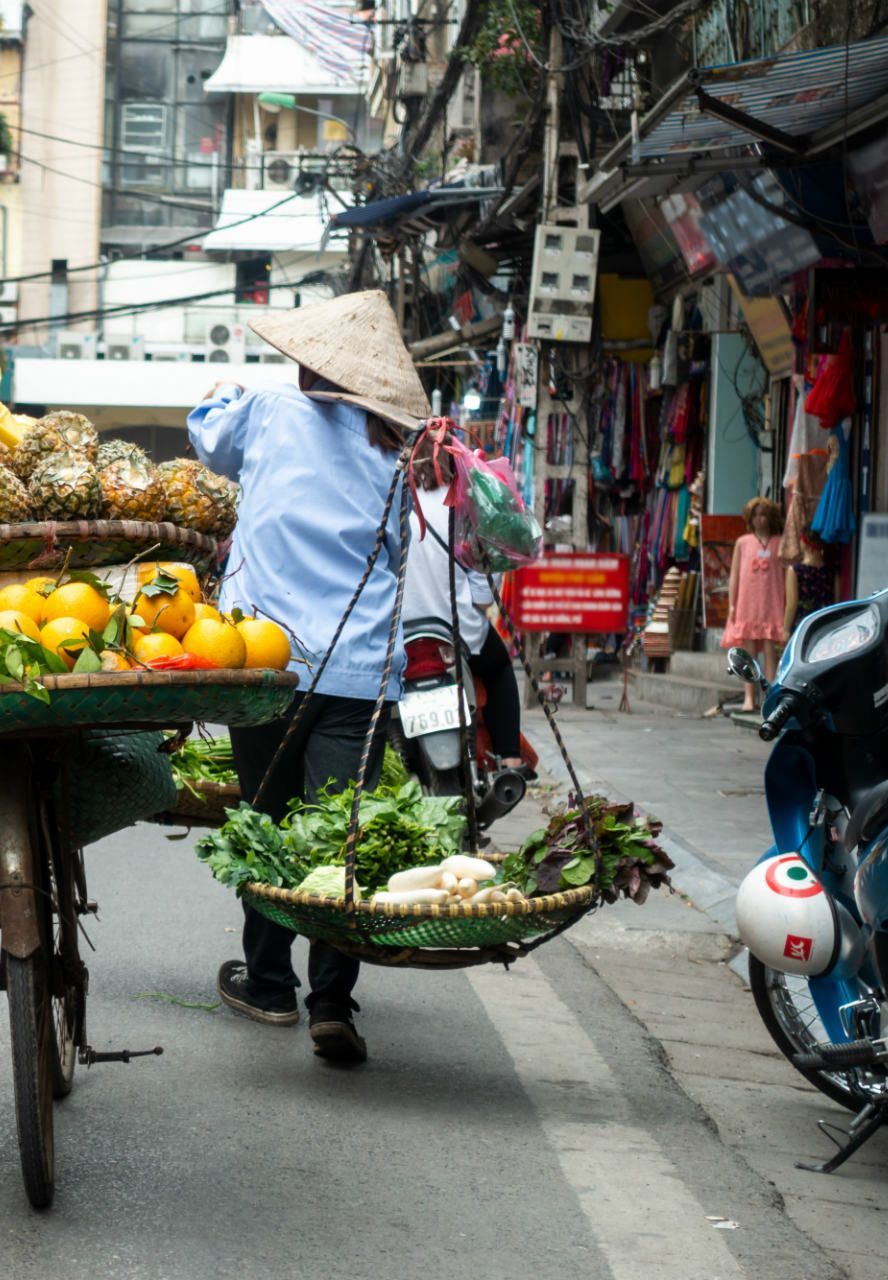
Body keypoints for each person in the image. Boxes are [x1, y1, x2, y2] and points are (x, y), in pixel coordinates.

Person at [189, 289, 427, 1067]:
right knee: (338, 832)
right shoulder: (391, 453)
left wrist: (222, 391)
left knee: (269, 820)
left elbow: (206, 435)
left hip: (265, 662)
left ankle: (267, 984)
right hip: (360, 672)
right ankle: (332, 999)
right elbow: (395, 555)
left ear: (305, 369)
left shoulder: (265, 410)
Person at [402, 442, 527, 774]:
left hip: (400, 639)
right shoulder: (463, 507)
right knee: (500, 668)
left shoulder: (393, 503)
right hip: (457, 635)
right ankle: (511, 761)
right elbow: (483, 598)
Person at [721, 497, 787, 712]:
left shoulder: (780, 542)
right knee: (746, 653)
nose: (760, 519)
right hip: (747, 602)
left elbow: (788, 575)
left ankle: (769, 696)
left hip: (772, 601)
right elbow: (734, 576)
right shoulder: (743, 542)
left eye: (764, 514)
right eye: (756, 514)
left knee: (770, 651)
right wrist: (732, 604)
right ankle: (749, 698)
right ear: (750, 518)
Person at [784, 538, 837, 638]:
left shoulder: (795, 570)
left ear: (805, 543)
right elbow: (836, 602)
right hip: (827, 625)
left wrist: (785, 630)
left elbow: (791, 605)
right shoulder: (832, 571)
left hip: (803, 627)